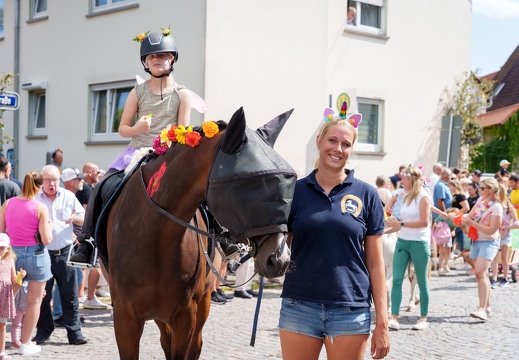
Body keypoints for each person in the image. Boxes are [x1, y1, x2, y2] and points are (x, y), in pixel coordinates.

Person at [71, 27, 193, 264]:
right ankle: (86, 242)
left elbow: (183, 130)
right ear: (145, 63)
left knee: (200, 182)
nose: (157, 60)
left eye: (162, 56)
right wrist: (138, 129)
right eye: (152, 57)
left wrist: (170, 139)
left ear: (172, 59)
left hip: (170, 152)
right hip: (138, 151)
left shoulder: (183, 94)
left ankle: (222, 240)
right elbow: (123, 128)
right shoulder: (137, 93)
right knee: (101, 186)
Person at [279, 109, 389, 360]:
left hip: (350, 308)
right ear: (319, 141)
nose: (338, 148)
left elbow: (376, 263)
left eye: (346, 144)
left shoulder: (367, 194)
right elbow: (275, 244)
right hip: (299, 306)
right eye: (332, 140)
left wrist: (382, 321)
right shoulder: (294, 192)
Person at [0, 171, 53, 356]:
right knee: (34, 302)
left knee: (5, 297)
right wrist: (50, 227)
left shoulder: (8, 204)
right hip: (36, 255)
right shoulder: (40, 207)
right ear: (39, 187)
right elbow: (46, 239)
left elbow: (1, 234)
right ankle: (26, 342)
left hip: (12, 255)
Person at [34, 165, 87, 346]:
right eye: (47, 180)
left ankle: (75, 333)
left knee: (70, 295)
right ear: (42, 182)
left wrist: (74, 219)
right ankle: (43, 331)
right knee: (42, 296)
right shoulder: (36, 199)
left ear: (60, 180)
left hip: (64, 252)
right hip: (43, 253)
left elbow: (84, 217)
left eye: (55, 180)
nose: (51, 184)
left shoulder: (69, 196)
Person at [385, 166, 432, 331]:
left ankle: (423, 318)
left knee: (422, 282)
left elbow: (424, 222)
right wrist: (384, 230)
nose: (401, 181)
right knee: (397, 279)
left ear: (411, 179)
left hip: (419, 242)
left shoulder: (423, 197)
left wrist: (401, 224)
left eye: (403, 178)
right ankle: (394, 318)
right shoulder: (404, 196)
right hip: (403, 241)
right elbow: (399, 224)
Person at [461, 178, 507, 321]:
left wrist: (471, 223)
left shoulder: (497, 206)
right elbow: (468, 216)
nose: (480, 190)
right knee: (482, 275)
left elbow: (492, 229)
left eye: (482, 188)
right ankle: (487, 307)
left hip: (489, 242)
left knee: (480, 272)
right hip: (476, 241)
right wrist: (457, 217)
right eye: (480, 188)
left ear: (491, 189)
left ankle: (481, 309)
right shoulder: (481, 201)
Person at [0, 234, 25, 360]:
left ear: (8, 248)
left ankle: (1, 351)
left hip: (3, 297)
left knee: (2, 325)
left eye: (1, 248)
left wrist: (21, 276)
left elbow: (14, 280)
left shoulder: (9, 261)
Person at [490, 199, 519, 288]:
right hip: (495, 234)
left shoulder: (510, 209)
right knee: (494, 257)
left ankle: (505, 278)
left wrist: (504, 227)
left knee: (504, 258)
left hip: (506, 235)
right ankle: (494, 279)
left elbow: (517, 224)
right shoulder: (493, 206)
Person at [449, 180, 470, 254]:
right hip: (456, 221)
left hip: (460, 221)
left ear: (455, 186)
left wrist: (457, 215)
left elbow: (466, 208)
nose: (450, 188)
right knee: (459, 240)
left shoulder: (460, 196)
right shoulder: (455, 196)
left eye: (451, 186)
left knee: (463, 241)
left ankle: (466, 259)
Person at [11, 279, 28, 350]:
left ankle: (24, 339)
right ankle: (15, 341)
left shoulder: (31, 283)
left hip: (28, 307)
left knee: (26, 325)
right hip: (18, 308)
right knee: (16, 325)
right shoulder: (18, 282)